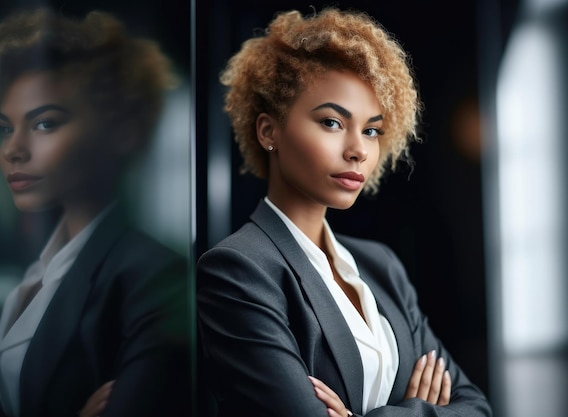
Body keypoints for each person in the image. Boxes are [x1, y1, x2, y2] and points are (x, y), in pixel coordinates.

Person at [196, 6, 492, 417]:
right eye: (332, 122)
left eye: (371, 130)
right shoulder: (238, 270)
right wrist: (421, 409)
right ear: (268, 131)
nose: (358, 150)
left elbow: (476, 407)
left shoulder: (380, 265)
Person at [0, 8, 190, 417]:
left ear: (122, 131)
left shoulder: (154, 277)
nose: (13, 148)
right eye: (5, 127)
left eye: (45, 124)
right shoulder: (35, 274)